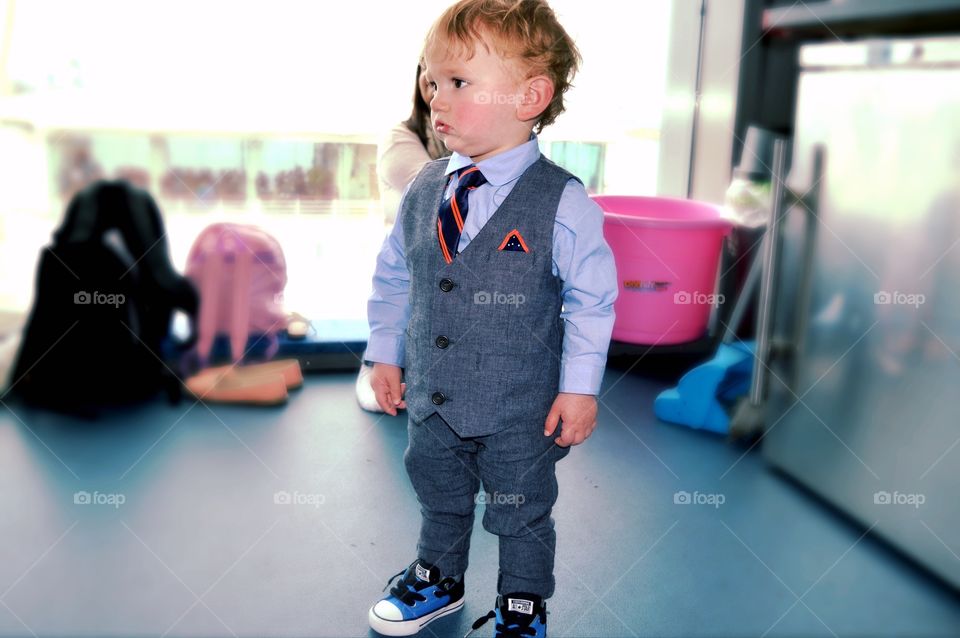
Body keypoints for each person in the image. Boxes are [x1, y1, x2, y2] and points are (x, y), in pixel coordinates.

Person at [365, 1, 617, 636]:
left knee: (521, 507)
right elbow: (396, 275)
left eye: (457, 82)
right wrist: (384, 353)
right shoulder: (424, 187)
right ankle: (438, 578)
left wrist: (579, 388)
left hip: (519, 406)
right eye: (431, 82)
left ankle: (522, 605)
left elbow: (592, 302)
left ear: (529, 96)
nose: (435, 100)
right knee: (437, 490)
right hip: (433, 396)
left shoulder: (562, 201)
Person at [356, 63, 450, 413]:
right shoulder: (399, 137)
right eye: (430, 76)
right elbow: (434, 192)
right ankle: (377, 367)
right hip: (413, 273)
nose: (435, 85)